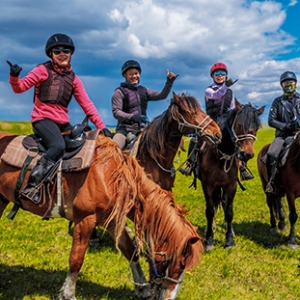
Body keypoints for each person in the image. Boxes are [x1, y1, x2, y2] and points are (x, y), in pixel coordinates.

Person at [7, 33, 111, 202]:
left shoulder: (74, 79)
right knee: (57, 145)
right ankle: (32, 186)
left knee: (85, 141)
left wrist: (102, 127)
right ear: (51, 54)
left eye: (66, 51)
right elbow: (19, 88)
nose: (62, 54)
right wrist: (14, 76)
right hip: (42, 119)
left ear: (71, 54)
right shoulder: (42, 70)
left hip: (62, 123)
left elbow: (87, 104)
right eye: (57, 51)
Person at [180, 62, 254, 180]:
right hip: (211, 120)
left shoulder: (230, 92)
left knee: (237, 138)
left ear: (225, 75)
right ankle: (190, 164)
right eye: (217, 73)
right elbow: (216, 95)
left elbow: (232, 107)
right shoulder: (209, 90)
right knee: (195, 139)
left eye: (222, 73)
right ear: (213, 76)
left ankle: (242, 167)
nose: (220, 76)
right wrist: (226, 86)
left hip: (226, 118)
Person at [111, 60, 179, 150]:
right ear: (125, 76)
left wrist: (169, 82)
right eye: (131, 74)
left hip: (143, 129)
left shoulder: (144, 91)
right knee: (114, 150)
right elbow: (116, 112)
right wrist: (132, 117)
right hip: (124, 131)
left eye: (136, 73)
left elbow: (162, 95)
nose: (134, 76)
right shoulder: (119, 92)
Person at [265, 71, 300, 194]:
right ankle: (272, 182)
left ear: (295, 84)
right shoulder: (277, 102)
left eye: (291, 83)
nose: (288, 85)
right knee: (272, 154)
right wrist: (285, 126)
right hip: (283, 136)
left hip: (298, 133)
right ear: (282, 86)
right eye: (285, 83)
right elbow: (271, 120)